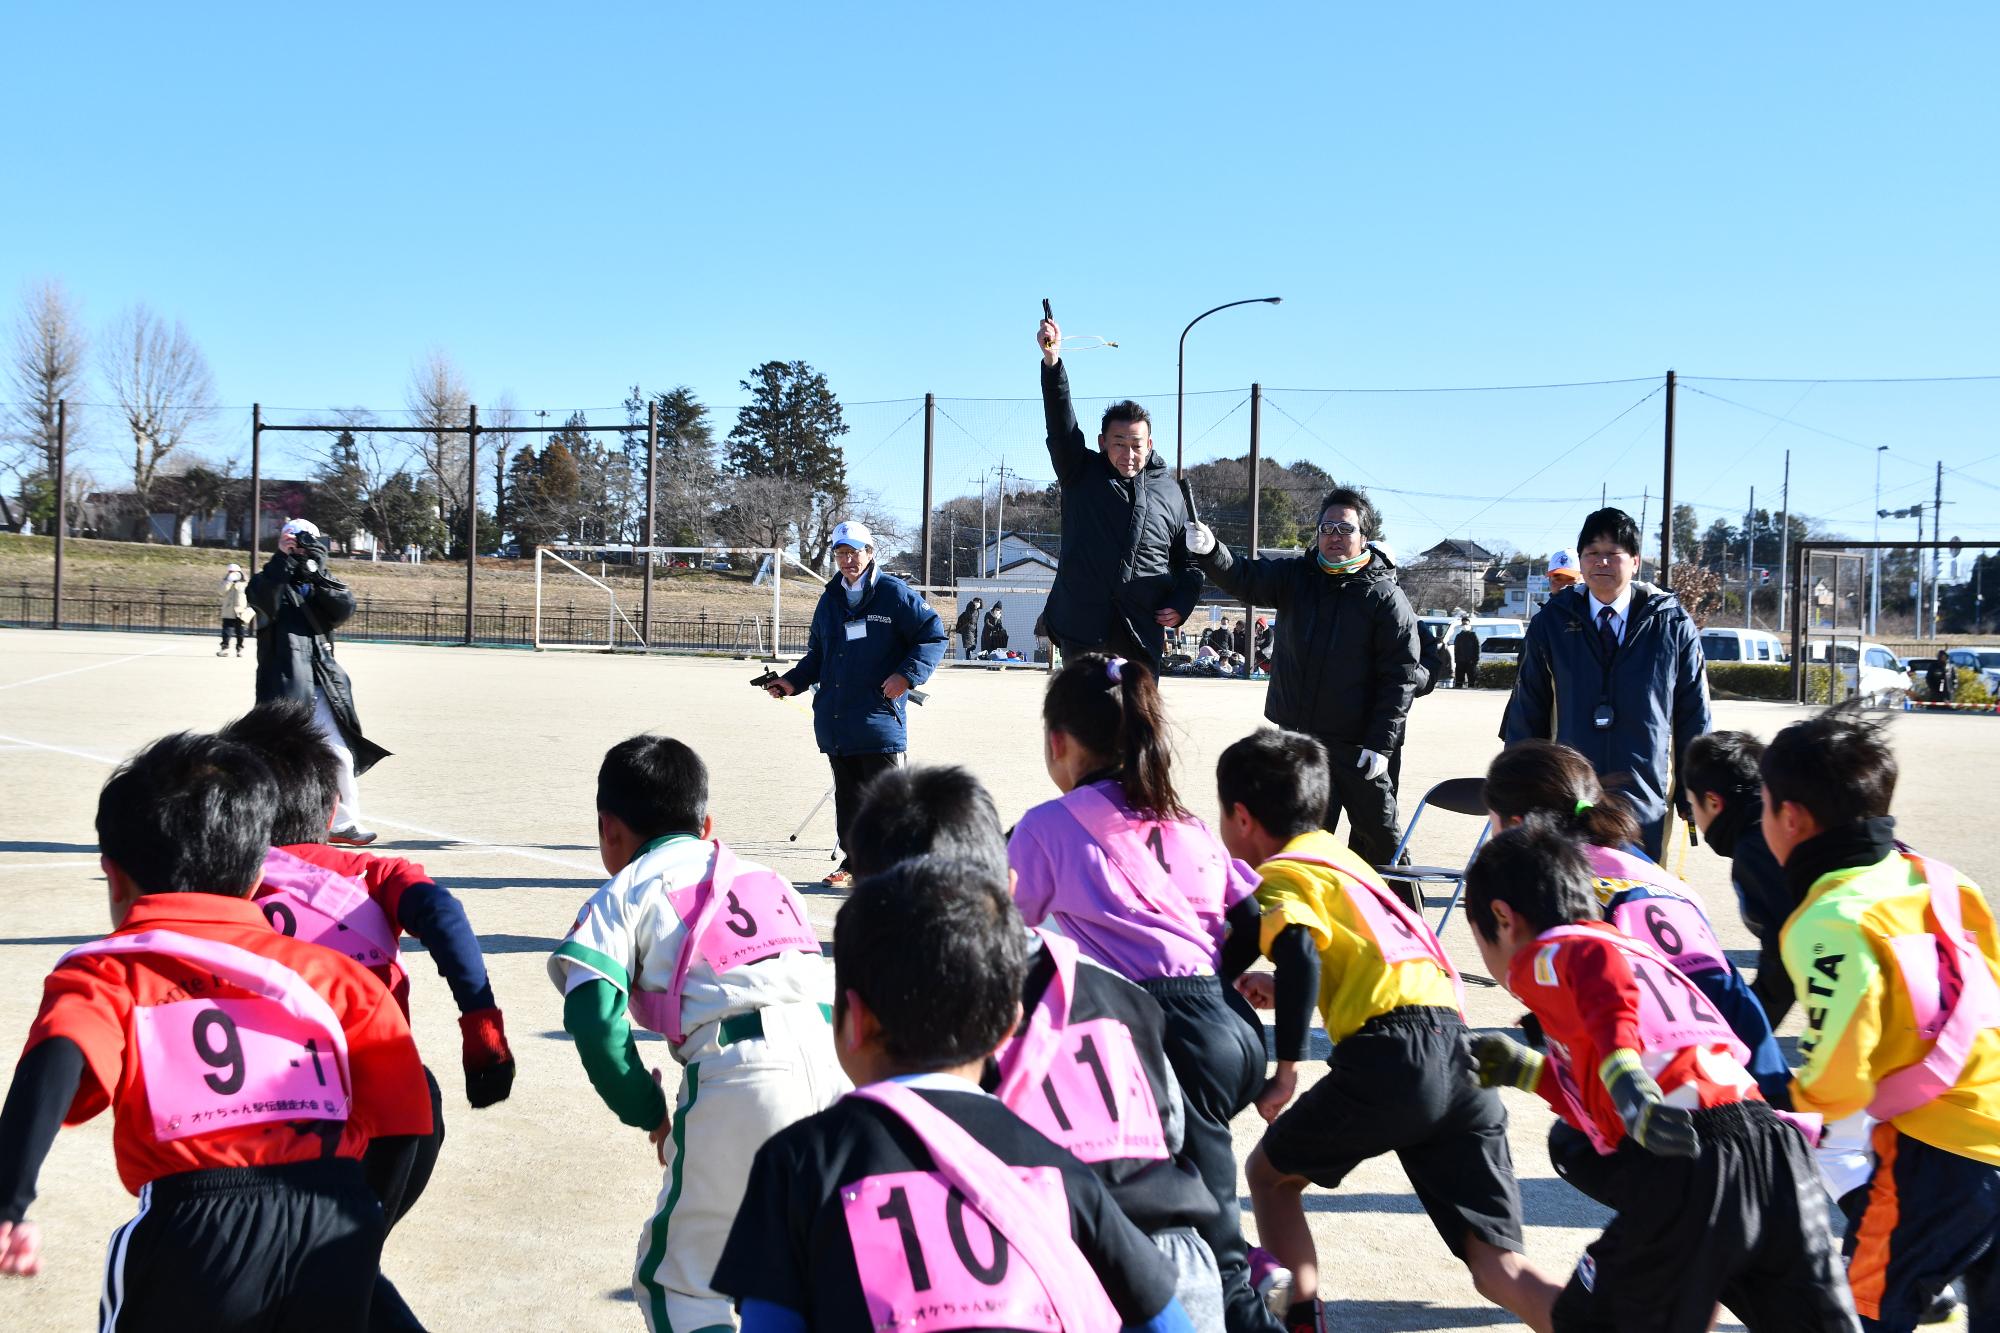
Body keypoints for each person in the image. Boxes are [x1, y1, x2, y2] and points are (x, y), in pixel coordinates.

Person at [0, 731, 434, 1328]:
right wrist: (364, 1219)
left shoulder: (113, 967)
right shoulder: (335, 978)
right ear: (257, 875)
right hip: (336, 1213)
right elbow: (407, 1118)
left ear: (114, 877)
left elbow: (61, 1053)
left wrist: (11, 1200)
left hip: (192, 1222)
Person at [711, 855, 1194, 1333]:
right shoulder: (1060, 1169)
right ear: (1007, 1027)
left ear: (854, 1019)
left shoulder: (796, 1163)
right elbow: (1167, 1322)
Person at [846, 764, 1225, 1331]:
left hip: (1063, 1277)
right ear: (1012, 888)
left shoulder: (932, 1007)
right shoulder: (1118, 993)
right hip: (1178, 1271)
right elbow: (1171, 1132)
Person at [1213, 729, 1559, 1333]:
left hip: (1394, 1056)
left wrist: (1286, 1069)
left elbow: (1298, 945)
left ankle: (1299, 1320)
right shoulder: (1348, 864)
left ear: (1241, 818)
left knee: (1269, 1177)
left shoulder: (1284, 875)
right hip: (1462, 1052)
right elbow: (1359, 956)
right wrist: (1297, 987)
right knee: (1497, 1268)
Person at [1463, 818, 1860, 1333]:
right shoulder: (1638, 953)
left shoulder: (1559, 951)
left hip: (1694, 1161)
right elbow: (1624, 1069)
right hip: (1774, 1151)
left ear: (1501, 917)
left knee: (1596, 1323)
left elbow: (1593, 970)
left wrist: (1624, 1074)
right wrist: (1534, 1073)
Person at [218, 700, 514, 1330]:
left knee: (316, 1270)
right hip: (391, 1106)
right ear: (330, 810)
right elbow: (443, 915)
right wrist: (481, 1027)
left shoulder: (226, 882)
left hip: (270, 1115)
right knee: (336, 1264)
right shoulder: (371, 870)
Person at [1008, 653, 1279, 1333]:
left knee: (1203, 1226)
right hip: (1226, 1026)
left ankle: (1250, 1314)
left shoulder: (1047, 825)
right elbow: (1257, 915)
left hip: (1151, 1034)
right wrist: (1221, 975)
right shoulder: (1185, 822)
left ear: (1057, 741)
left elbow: (996, 932)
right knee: (1196, 1201)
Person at [550, 734, 845, 1333]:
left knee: (679, 1282)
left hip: (745, 1074)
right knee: (810, 1264)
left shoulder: (626, 889)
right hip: (837, 1063)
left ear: (609, 830)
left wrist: (650, 1112)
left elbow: (592, 1017)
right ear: (707, 824)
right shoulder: (767, 878)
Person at [1760, 708, 2000, 1332]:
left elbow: (1841, 1070)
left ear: (1791, 818)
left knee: (1863, 1313)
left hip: (1939, 1151)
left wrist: (1790, 1101)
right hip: (1991, 1111)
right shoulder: (1941, 878)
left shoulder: (1830, 919)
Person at [1186, 486, 1422, 866]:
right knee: (1297, 844)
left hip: (1359, 746)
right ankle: (1295, 923)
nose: (1334, 535)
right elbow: (1245, 576)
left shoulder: (1385, 597)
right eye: (1326, 527)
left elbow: (1401, 676)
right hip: (1299, 741)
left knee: (1383, 843)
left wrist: (1382, 744)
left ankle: (1406, 922)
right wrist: (1213, 551)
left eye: (1345, 529)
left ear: (1364, 538)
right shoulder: (1297, 576)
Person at [1502, 506, 1712, 861]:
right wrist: (1517, 788)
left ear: (1635, 561)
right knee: (1572, 895)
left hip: (1646, 795)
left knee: (1641, 898)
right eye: (1592, 554)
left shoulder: (1672, 624)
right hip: (1569, 796)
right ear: (1581, 561)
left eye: (1612, 554)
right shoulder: (1551, 623)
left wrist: (1696, 788)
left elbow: (1694, 713)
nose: (1601, 563)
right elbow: (1528, 711)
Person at [764, 520, 946, 888]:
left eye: (855, 552)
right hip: (837, 720)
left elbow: (932, 636)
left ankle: (896, 869)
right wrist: (791, 682)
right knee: (848, 800)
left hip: (878, 718)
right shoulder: (829, 598)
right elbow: (819, 654)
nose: (848, 560)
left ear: (871, 552)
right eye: (841, 553)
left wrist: (906, 676)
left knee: (886, 802)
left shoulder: (895, 594)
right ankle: (854, 863)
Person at [1038, 313, 1201, 670]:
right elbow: (1061, 426)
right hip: (1081, 630)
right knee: (1084, 723)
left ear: (1150, 443)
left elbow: (1189, 561)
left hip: (1142, 632)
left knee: (1138, 725)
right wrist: (1053, 364)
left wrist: (1183, 601)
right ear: (1102, 443)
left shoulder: (1171, 492)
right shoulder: (1080, 473)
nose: (1129, 453)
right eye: (1119, 443)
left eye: (1136, 444)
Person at [247, 516, 387, 846]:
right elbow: (263, 599)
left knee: (339, 754)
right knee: (277, 757)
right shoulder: (266, 580)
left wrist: (318, 570)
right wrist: (284, 560)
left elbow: (343, 608)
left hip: (322, 682)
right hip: (283, 684)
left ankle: (343, 823)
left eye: (303, 540)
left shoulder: (316, 580)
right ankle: (270, 822)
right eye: (289, 539)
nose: (296, 545)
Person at [1681, 731, 1798, 1024]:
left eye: (1692, 806)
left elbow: (1785, 953)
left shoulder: (1756, 847)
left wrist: (1746, 1027)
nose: (1694, 816)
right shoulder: (1776, 819)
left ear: (1713, 802)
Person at [217, 562, 252, 657]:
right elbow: (221, 591)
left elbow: (251, 594)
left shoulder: (245, 582)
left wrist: (249, 608)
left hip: (241, 610)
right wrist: (229, 581)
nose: (231, 573)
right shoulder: (226, 580)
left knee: (240, 631)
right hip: (229, 610)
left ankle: (239, 649)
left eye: (233, 571)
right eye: (230, 571)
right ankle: (225, 648)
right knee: (226, 631)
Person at [1453, 616, 1481, 689]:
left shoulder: (1473, 635)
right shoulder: (1459, 636)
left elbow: (1477, 648)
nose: (1465, 626)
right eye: (1463, 624)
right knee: (1459, 677)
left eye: (1466, 624)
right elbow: (1456, 649)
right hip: (1460, 661)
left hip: (1471, 661)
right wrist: (1456, 660)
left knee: (1472, 676)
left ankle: (1471, 687)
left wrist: (1475, 660)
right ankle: (1458, 687)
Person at [955, 595, 984, 660]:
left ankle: (970, 657)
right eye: (976, 602)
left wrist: (978, 606)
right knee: (968, 645)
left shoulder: (977, 610)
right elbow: (969, 616)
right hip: (967, 629)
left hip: (974, 629)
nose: (978, 603)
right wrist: (974, 608)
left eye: (979, 602)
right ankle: (968, 658)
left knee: (973, 645)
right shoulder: (969, 608)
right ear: (973, 602)